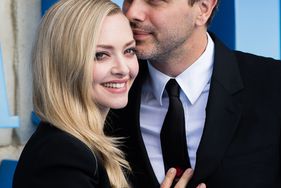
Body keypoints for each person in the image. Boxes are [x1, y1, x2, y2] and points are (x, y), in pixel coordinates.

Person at [13, 0, 204, 187]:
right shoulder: (62, 156)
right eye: (101, 55)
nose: (123, 69)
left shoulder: (80, 145)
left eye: (129, 51)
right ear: (64, 64)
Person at [106, 0, 281, 187]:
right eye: (129, 0)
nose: (131, 13)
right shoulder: (100, 92)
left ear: (203, 8)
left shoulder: (274, 84)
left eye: (154, 1)